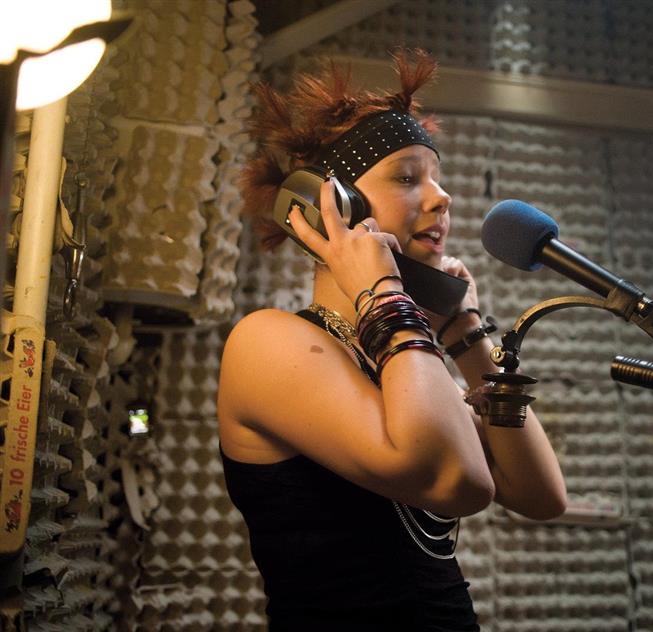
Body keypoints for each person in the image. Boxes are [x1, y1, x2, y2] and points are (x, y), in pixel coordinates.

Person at [217, 50, 567, 630]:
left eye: (436, 178)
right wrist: (383, 290)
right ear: (330, 206)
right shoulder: (268, 342)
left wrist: (465, 334)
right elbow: (457, 481)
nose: (442, 198)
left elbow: (540, 495)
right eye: (407, 177)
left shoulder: (403, 358)